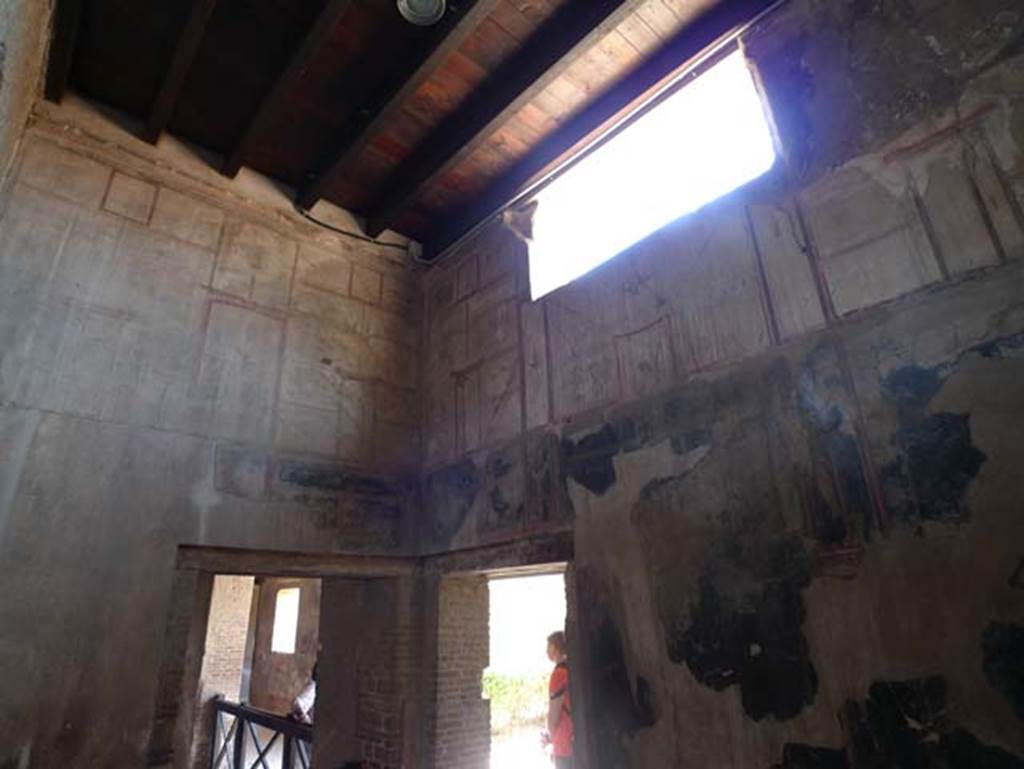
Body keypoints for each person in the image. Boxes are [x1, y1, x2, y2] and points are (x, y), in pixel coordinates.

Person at [541, 631, 573, 768]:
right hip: (576, 737)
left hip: (563, 742)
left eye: (548, 647)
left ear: (555, 648)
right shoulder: (573, 668)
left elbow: (554, 715)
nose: (546, 651)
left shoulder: (559, 674)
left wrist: (549, 736)